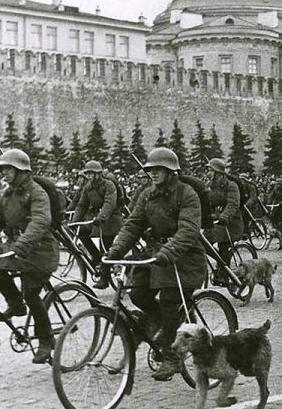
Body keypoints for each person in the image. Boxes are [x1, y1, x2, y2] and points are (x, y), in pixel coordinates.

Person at [105, 147, 207, 380]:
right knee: (138, 293)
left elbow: (189, 231)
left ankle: (172, 359)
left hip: (184, 256)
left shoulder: (187, 194)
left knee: (171, 300)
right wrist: (115, 249)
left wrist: (169, 251)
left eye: (158, 169)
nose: (153, 173)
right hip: (155, 253)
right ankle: (167, 326)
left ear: (172, 171)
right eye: (150, 169)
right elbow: (133, 225)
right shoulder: (147, 194)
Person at [0, 149, 59, 364]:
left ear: (22, 171)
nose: (5, 173)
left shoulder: (37, 193)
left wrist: (22, 244)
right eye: (3, 169)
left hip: (40, 250)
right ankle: (15, 303)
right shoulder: (6, 194)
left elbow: (40, 221)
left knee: (31, 293)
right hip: (16, 247)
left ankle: (46, 340)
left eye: (9, 169)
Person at [72, 160, 123, 289]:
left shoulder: (109, 185)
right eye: (87, 173)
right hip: (97, 219)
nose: (89, 176)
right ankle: (95, 257)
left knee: (105, 246)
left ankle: (105, 279)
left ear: (98, 174)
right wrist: (74, 221)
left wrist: (102, 217)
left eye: (91, 173)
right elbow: (81, 205)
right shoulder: (88, 188)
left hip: (111, 219)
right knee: (82, 232)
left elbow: (109, 203)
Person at [204, 158, 243, 283]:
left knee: (223, 245)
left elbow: (233, 204)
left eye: (210, 170)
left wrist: (225, 216)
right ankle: (220, 263)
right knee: (203, 243)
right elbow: (206, 203)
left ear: (218, 172)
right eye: (208, 170)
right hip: (216, 221)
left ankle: (225, 274)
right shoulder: (210, 186)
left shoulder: (231, 186)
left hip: (231, 223)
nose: (208, 173)